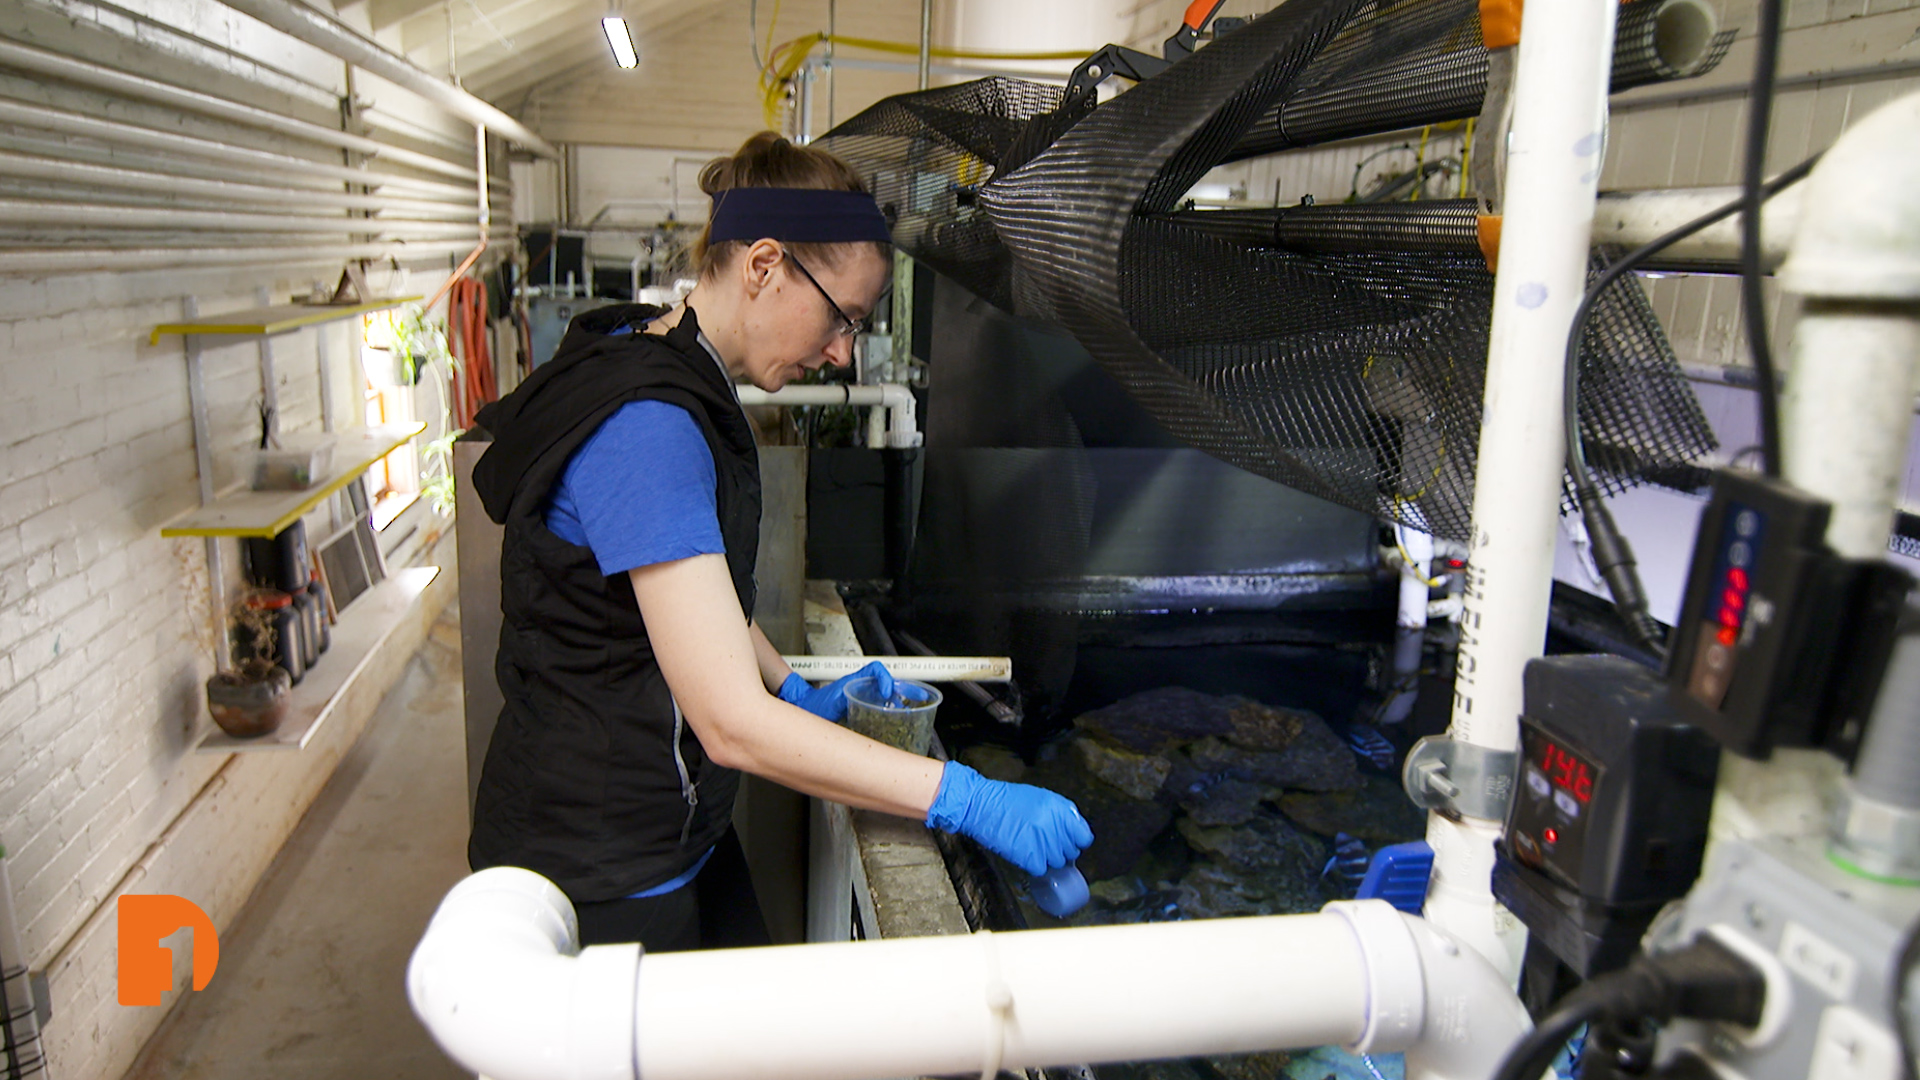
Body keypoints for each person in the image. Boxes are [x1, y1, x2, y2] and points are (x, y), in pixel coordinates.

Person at [467, 132, 1092, 952]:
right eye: (843, 318)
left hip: (663, 831)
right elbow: (729, 724)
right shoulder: (648, 429)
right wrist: (964, 796)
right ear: (763, 265)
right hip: (596, 870)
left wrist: (792, 687)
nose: (841, 352)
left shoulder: (650, 352)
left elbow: (689, 592)